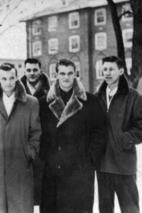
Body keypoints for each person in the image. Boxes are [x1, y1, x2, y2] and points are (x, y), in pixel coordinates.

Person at [39, 59, 107, 213]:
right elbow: (38, 133)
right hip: (53, 169)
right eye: (62, 73)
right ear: (56, 75)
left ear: (75, 74)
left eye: (70, 73)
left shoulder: (89, 101)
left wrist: (90, 159)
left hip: (80, 171)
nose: (66, 77)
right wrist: (45, 155)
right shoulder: (44, 103)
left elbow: (100, 132)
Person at [0, 63, 41, 213]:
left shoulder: (30, 102)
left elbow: (35, 133)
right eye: (4, 79)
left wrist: (29, 153)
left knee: (21, 208)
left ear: (17, 78)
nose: (8, 82)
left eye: (12, 78)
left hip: (20, 166)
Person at [96, 56, 142, 213]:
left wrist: (126, 139)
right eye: (105, 69)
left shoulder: (133, 97)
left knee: (130, 209)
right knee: (105, 210)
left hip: (124, 165)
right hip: (103, 165)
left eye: (111, 69)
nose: (107, 73)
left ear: (121, 71)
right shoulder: (97, 97)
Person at [20, 58, 50, 205]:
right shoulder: (16, 90)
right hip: (22, 144)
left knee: (43, 189)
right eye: (28, 70)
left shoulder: (50, 90)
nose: (32, 73)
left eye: (35, 70)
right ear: (24, 71)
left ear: (40, 70)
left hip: (43, 144)